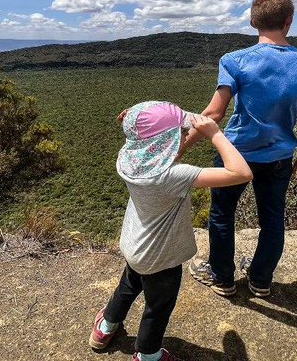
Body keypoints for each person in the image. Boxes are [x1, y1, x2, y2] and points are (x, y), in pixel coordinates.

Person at [182, 0, 297, 298]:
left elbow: (213, 113)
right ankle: (261, 279)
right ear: (289, 22)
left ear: (252, 22)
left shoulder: (234, 60)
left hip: (233, 154)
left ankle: (221, 277)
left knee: (222, 214)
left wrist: (180, 147)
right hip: (278, 157)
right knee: (273, 219)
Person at [89, 101, 252, 361]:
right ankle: (148, 354)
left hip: (134, 245)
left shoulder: (128, 159)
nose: (186, 134)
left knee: (127, 287)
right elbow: (241, 172)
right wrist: (215, 134)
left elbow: (151, 145)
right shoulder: (174, 176)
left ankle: (105, 329)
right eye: (182, 132)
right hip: (161, 258)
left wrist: (133, 120)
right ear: (164, 144)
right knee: (158, 308)